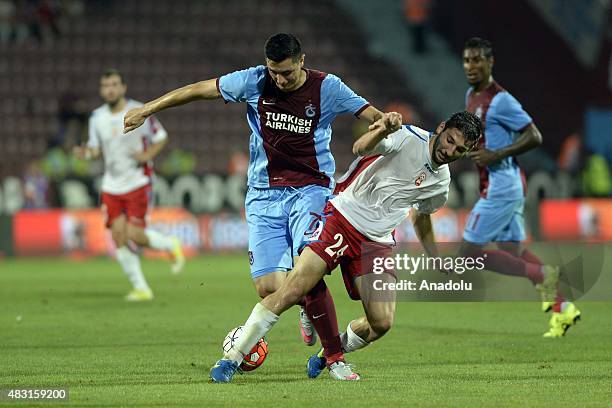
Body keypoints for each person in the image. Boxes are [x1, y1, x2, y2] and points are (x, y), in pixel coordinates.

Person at [124, 33, 385, 346]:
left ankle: (331, 352)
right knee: (267, 287)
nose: (280, 79)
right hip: (263, 191)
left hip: (311, 187)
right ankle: (306, 304)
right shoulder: (254, 81)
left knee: (309, 262)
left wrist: (385, 124)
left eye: (287, 72)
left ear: (302, 61)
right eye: (274, 71)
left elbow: (372, 115)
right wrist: (147, 109)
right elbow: (198, 90)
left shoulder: (327, 87)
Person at [209, 110, 483, 383]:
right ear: (442, 126)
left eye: (460, 149)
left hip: (376, 242)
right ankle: (231, 359)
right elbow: (360, 147)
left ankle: (329, 352)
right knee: (293, 289)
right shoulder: (406, 137)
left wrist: (435, 257)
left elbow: (421, 216)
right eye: (450, 140)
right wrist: (383, 130)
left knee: (381, 323)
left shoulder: (441, 183)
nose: (450, 151)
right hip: (342, 217)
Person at [460, 37, 580, 337]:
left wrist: (495, 154)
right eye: (466, 60)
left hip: (502, 184)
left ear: (490, 62)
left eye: (477, 60)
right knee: (512, 248)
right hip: (500, 183)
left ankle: (543, 274)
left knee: (467, 254)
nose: (471, 66)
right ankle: (563, 309)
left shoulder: (501, 100)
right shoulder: (471, 96)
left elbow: (534, 135)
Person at [74, 68, 185, 302]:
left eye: (114, 84)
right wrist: (86, 153)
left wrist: (147, 155)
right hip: (111, 185)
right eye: (106, 86)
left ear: (123, 87)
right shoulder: (97, 118)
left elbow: (161, 136)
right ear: (102, 90)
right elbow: (95, 150)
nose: (110, 89)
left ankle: (168, 244)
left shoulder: (139, 110)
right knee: (118, 236)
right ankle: (141, 288)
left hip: (138, 181)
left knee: (134, 234)